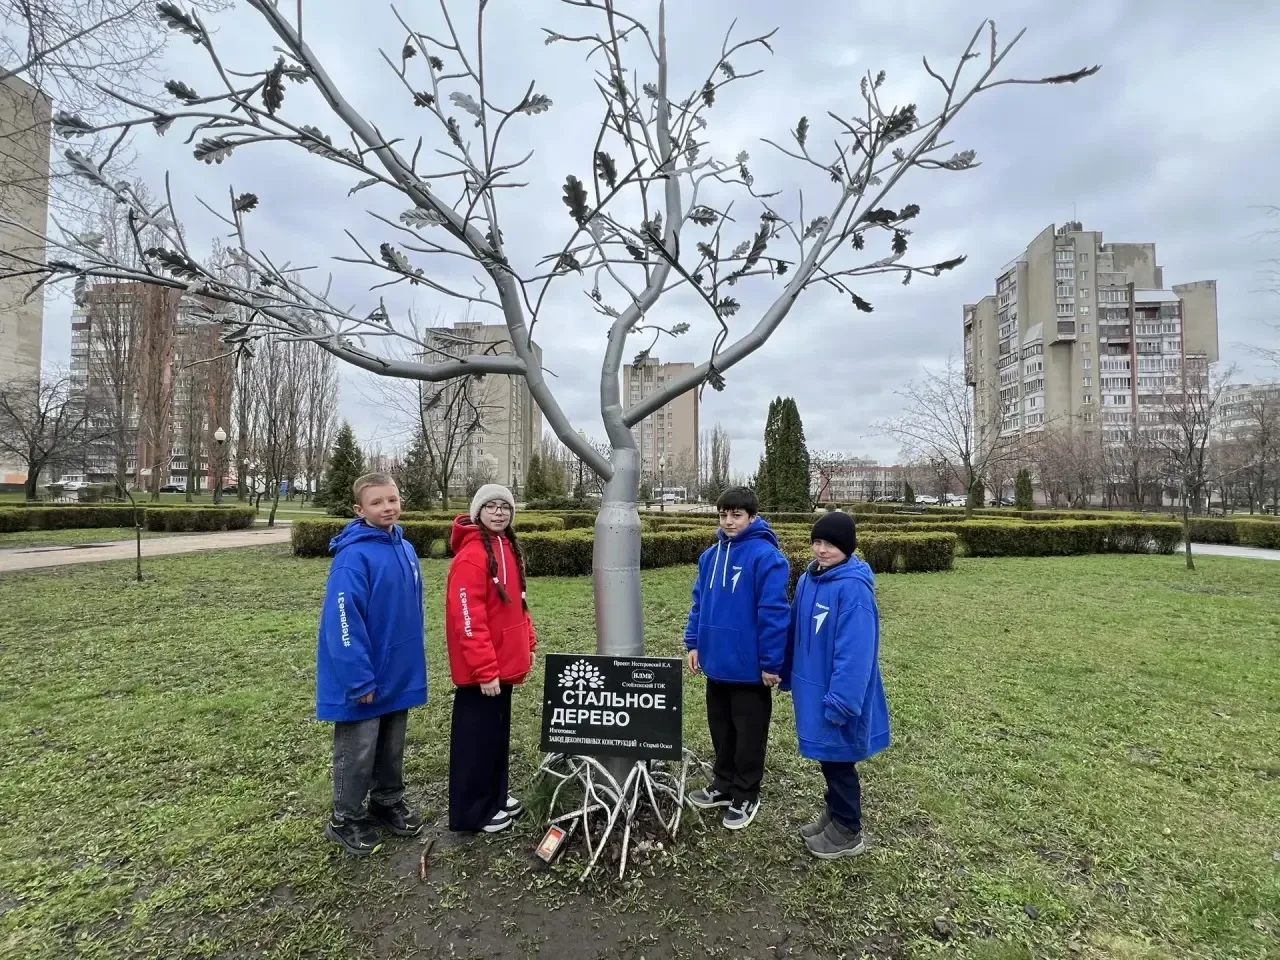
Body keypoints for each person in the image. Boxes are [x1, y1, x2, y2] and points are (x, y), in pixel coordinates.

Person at [316, 473, 428, 857]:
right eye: (377, 502)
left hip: (397, 671)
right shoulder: (353, 557)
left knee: (391, 744)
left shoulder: (405, 548)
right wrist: (359, 679)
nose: (387, 508)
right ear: (359, 509)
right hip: (363, 674)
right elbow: (343, 621)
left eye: (392, 499)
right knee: (359, 748)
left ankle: (386, 800)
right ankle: (345, 817)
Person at [782, 511, 890, 860]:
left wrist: (842, 702)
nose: (821, 549)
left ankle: (847, 829)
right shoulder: (807, 580)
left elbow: (856, 653)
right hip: (813, 690)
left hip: (838, 695)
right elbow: (795, 630)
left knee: (840, 760)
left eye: (830, 544)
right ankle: (832, 815)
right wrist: (785, 670)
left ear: (847, 547)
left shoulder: (854, 589)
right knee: (828, 757)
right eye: (817, 542)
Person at [683, 486, 791, 830]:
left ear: (752, 517)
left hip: (749, 669)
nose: (729, 521)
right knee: (722, 729)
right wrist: (694, 643)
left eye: (736, 515)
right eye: (723, 515)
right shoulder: (710, 557)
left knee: (748, 735)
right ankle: (723, 783)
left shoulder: (767, 557)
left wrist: (771, 663)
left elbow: (774, 613)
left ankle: (746, 793)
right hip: (716, 663)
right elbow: (699, 603)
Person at [444, 483, 537, 834]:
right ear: (477, 512)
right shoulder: (471, 556)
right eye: (491, 506)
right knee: (476, 741)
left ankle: (495, 795)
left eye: (505, 507)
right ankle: (473, 811)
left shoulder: (507, 547)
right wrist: (484, 669)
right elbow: (467, 617)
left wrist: (528, 639)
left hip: (503, 664)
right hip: (482, 672)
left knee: (495, 736)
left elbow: (518, 602)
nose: (499, 513)